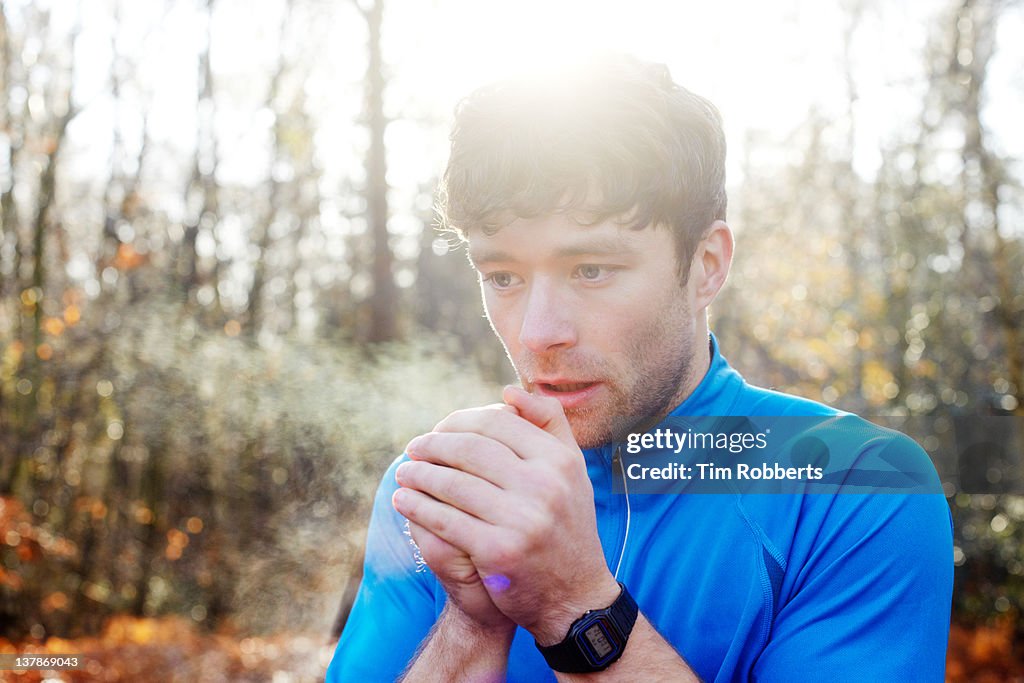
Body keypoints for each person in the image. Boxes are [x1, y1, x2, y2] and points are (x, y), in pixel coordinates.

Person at [327, 54, 953, 681]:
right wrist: (470, 625)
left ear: (707, 264)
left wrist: (575, 608)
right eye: (504, 276)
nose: (539, 333)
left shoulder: (856, 486)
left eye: (591, 270)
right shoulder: (438, 487)